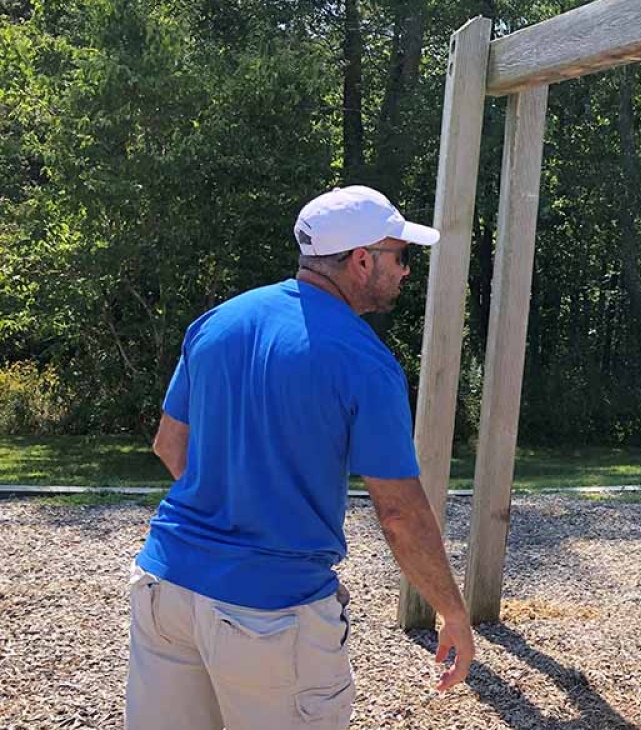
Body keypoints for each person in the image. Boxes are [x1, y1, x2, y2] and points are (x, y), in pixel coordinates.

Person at [125, 186, 476, 730]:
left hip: (163, 590)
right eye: (401, 256)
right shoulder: (364, 360)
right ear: (362, 260)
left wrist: (234, 512)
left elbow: (169, 445)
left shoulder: (218, 322)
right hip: (270, 615)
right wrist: (453, 613)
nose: (407, 271)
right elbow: (400, 514)